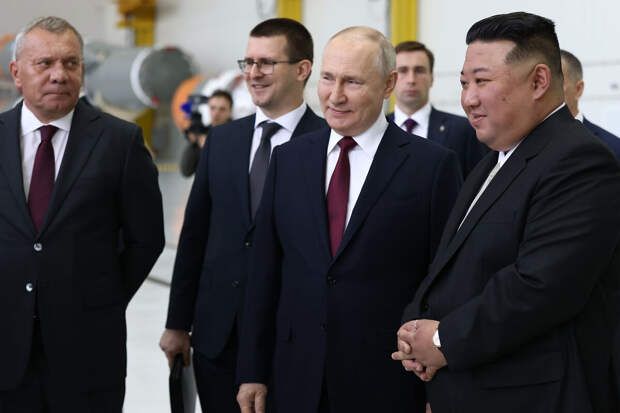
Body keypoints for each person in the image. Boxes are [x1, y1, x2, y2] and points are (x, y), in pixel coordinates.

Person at [392, 12, 620, 413]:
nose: (468, 99)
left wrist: (442, 341)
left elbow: (540, 287)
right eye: (464, 83)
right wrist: (415, 330)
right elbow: (454, 264)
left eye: (482, 81)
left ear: (538, 81)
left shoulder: (579, 160)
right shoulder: (494, 161)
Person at [236, 26, 462, 413]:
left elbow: (446, 281)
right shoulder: (288, 160)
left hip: (388, 381)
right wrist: (252, 370)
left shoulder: (432, 166)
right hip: (296, 376)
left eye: (352, 82)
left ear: (388, 84)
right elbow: (264, 272)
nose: (335, 95)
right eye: (328, 78)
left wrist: (438, 387)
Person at [160, 18, 325, 413]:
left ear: (302, 69)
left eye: (266, 62)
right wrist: (177, 323)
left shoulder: (326, 145)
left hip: (290, 338)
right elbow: (196, 235)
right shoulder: (223, 140)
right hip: (218, 336)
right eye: (248, 62)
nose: (253, 73)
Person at [0, 16, 164, 412]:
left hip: (88, 354)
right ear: (17, 73)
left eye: (71, 63)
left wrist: (99, 296)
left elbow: (146, 239)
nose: (59, 75)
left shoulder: (120, 142)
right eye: (45, 63)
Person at [387, 40, 486, 177]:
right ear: (391, 80)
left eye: (419, 70)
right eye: (403, 71)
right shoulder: (378, 129)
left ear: (432, 78)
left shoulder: (464, 130)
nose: (411, 80)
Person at [560, 49, 620, 159]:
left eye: (556, 83)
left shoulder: (612, 149)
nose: (544, 91)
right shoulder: (527, 144)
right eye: (537, 83)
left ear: (578, 89)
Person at [179, 90, 233, 177]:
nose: (216, 113)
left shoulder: (238, 135)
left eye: (222, 109)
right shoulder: (203, 132)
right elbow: (186, 171)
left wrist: (209, 148)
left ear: (230, 111)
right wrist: (193, 142)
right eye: (212, 108)